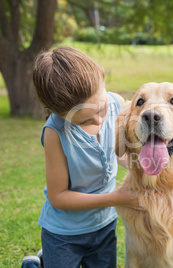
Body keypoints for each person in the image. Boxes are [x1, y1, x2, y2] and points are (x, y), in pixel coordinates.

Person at [24, 46, 137, 268]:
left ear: (102, 76)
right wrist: (116, 198)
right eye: (84, 120)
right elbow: (59, 196)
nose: (97, 121)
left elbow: (118, 154)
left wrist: (143, 167)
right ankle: (42, 262)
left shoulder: (116, 104)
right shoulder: (55, 133)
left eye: (100, 108)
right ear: (59, 114)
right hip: (64, 235)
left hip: (105, 227)